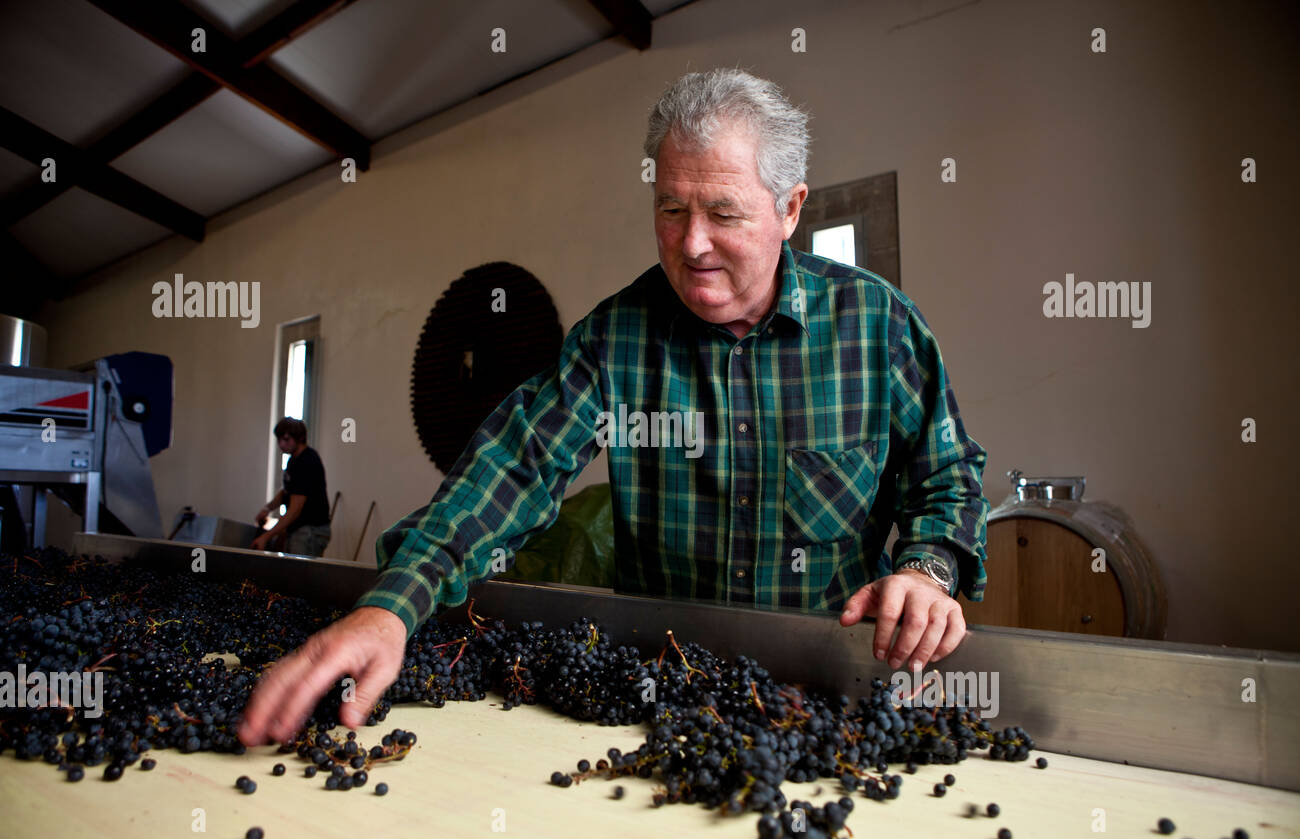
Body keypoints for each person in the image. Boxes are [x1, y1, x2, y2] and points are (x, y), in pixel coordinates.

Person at [239, 69, 989, 747]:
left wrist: (926, 570)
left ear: (790, 209)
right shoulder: (614, 339)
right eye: (671, 209)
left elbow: (946, 476)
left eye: (723, 213)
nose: (692, 245)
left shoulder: (878, 324)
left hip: (831, 703)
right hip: (659, 703)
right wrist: (392, 608)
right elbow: (515, 465)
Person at [252, 418, 332, 557]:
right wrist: (268, 508)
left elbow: (295, 509)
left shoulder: (307, 461)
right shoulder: (293, 460)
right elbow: (287, 492)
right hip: (299, 529)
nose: (281, 444)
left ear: (300, 438)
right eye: (279, 440)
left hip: (310, 531)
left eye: (286, 439)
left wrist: (267, 536)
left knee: (299, 576)